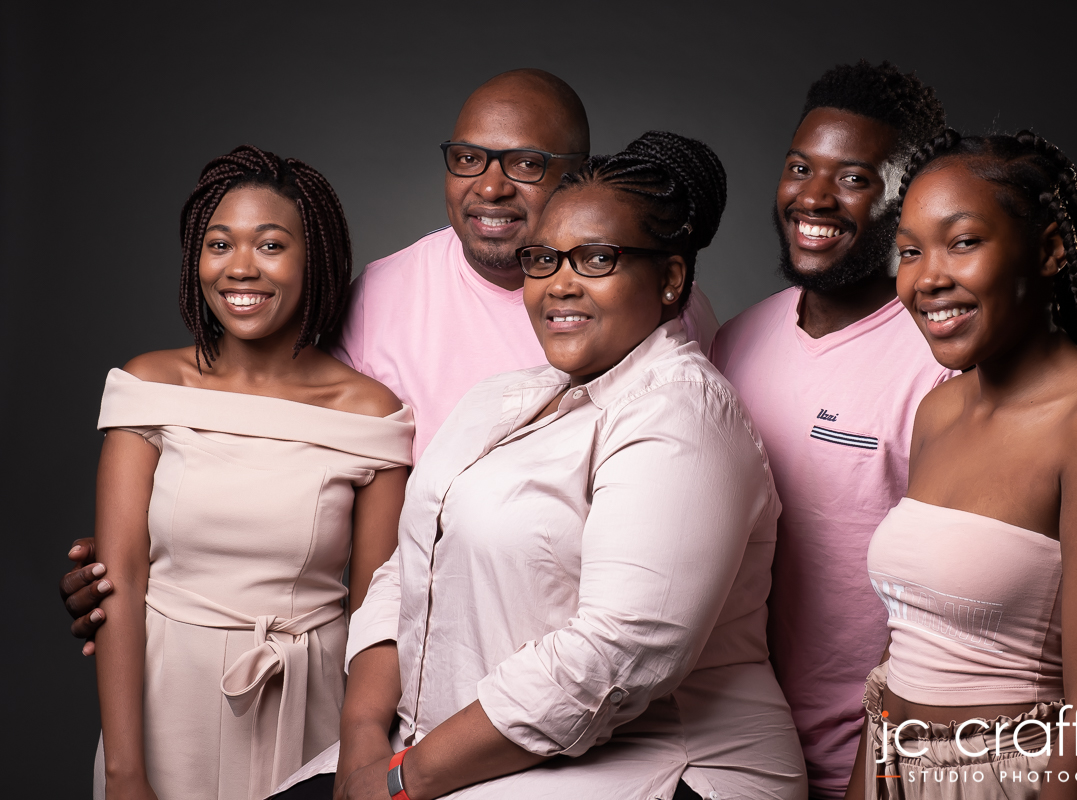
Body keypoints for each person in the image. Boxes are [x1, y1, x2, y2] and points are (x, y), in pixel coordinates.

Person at [61, 68, 718, 644]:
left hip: (590, 646)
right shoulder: (379, 297)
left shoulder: (652, 305)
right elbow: (287, 466)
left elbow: (694, 488)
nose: (489, 187)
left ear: (579, 174)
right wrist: (146, 561)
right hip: (418, 653)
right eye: (468, 158)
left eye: (524, 163)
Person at [324, 131, 805, 800]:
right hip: (451, 750)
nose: (560, 285)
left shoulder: (684, 415)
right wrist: (362, 739)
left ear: (671, 279)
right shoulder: (498, 398)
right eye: (543, 259)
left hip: (664, 765)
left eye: (597, 258)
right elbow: (410, 569)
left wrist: (403, 780)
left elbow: (615, 652)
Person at [845, 129, 1077, 799]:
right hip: (893, 769)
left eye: (963, 242)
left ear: (1048, 250)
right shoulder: (938, 410)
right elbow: (905, 645)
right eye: (910, 251)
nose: (928, 278)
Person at [90, 145, 412, 800]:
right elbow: (119, 580)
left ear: (313, 258)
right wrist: (125, 772)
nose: (240, 267)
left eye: (270, 245)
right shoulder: (148, 387)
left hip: (312, 710)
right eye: (219, 244)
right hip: (162, 705)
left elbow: (377, 608)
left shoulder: (371, 415)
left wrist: (361, 754)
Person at [709, 61, 950, 799]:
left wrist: (875, 773)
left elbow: (949, 608)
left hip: (877, 764)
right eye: (799, 167)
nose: (813, 198)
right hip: (733, 756)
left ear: (907, 198)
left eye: (854, 178)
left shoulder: (942, 366)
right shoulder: (735, 343)